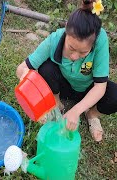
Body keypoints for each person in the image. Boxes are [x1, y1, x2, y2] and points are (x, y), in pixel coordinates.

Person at [16, 0, 117, 142]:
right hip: (63, 85)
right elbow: (21, 69)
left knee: (114, 96)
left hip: (88, 89)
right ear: (66, 30)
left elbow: (100, 87)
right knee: (46, 68)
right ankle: (56, 102)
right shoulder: (54, 40)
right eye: (71, 48)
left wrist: (76, 111)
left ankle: (91, 115)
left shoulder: (101, 40)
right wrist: (27, 80)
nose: (75, 56)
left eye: (83, 52)